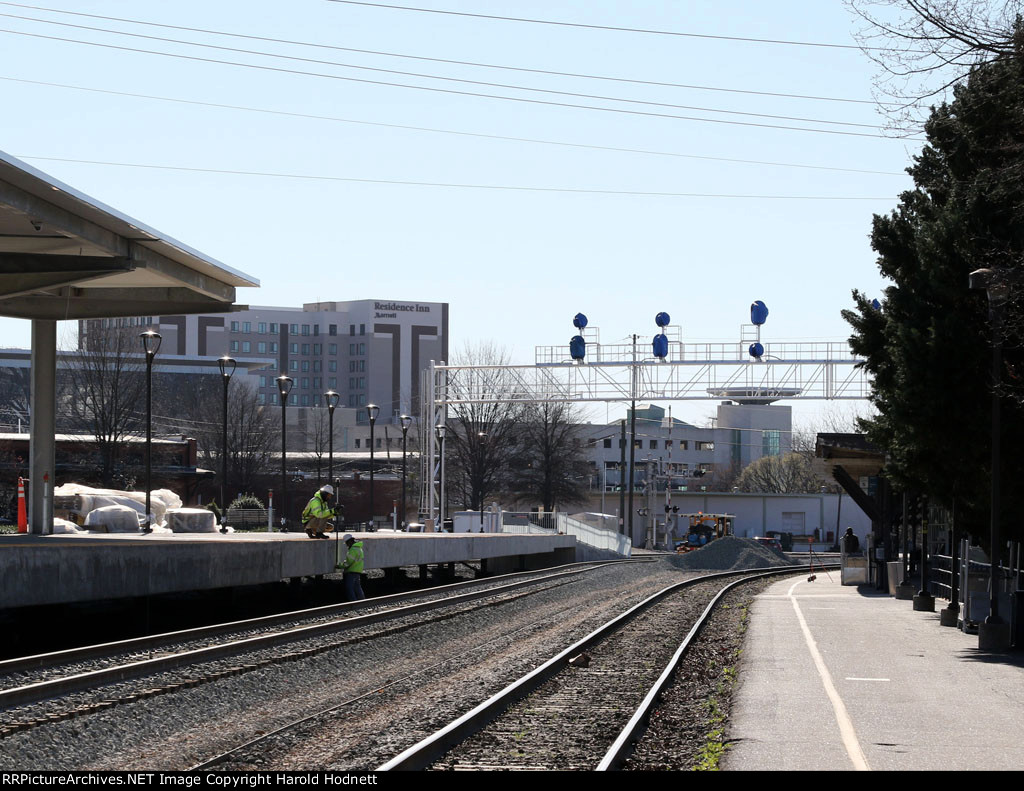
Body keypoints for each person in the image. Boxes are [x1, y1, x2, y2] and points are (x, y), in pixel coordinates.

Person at [338, 533, 365, 600]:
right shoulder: (359, 548)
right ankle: (362, 601)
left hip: (352, 571)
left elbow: (348, 563)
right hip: (357, 571)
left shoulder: (353, 550)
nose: (346, 545)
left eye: (346, 543)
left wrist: (340, 566)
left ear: (349, 541)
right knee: (357, 587)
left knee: (349, 587)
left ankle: (353, 602)